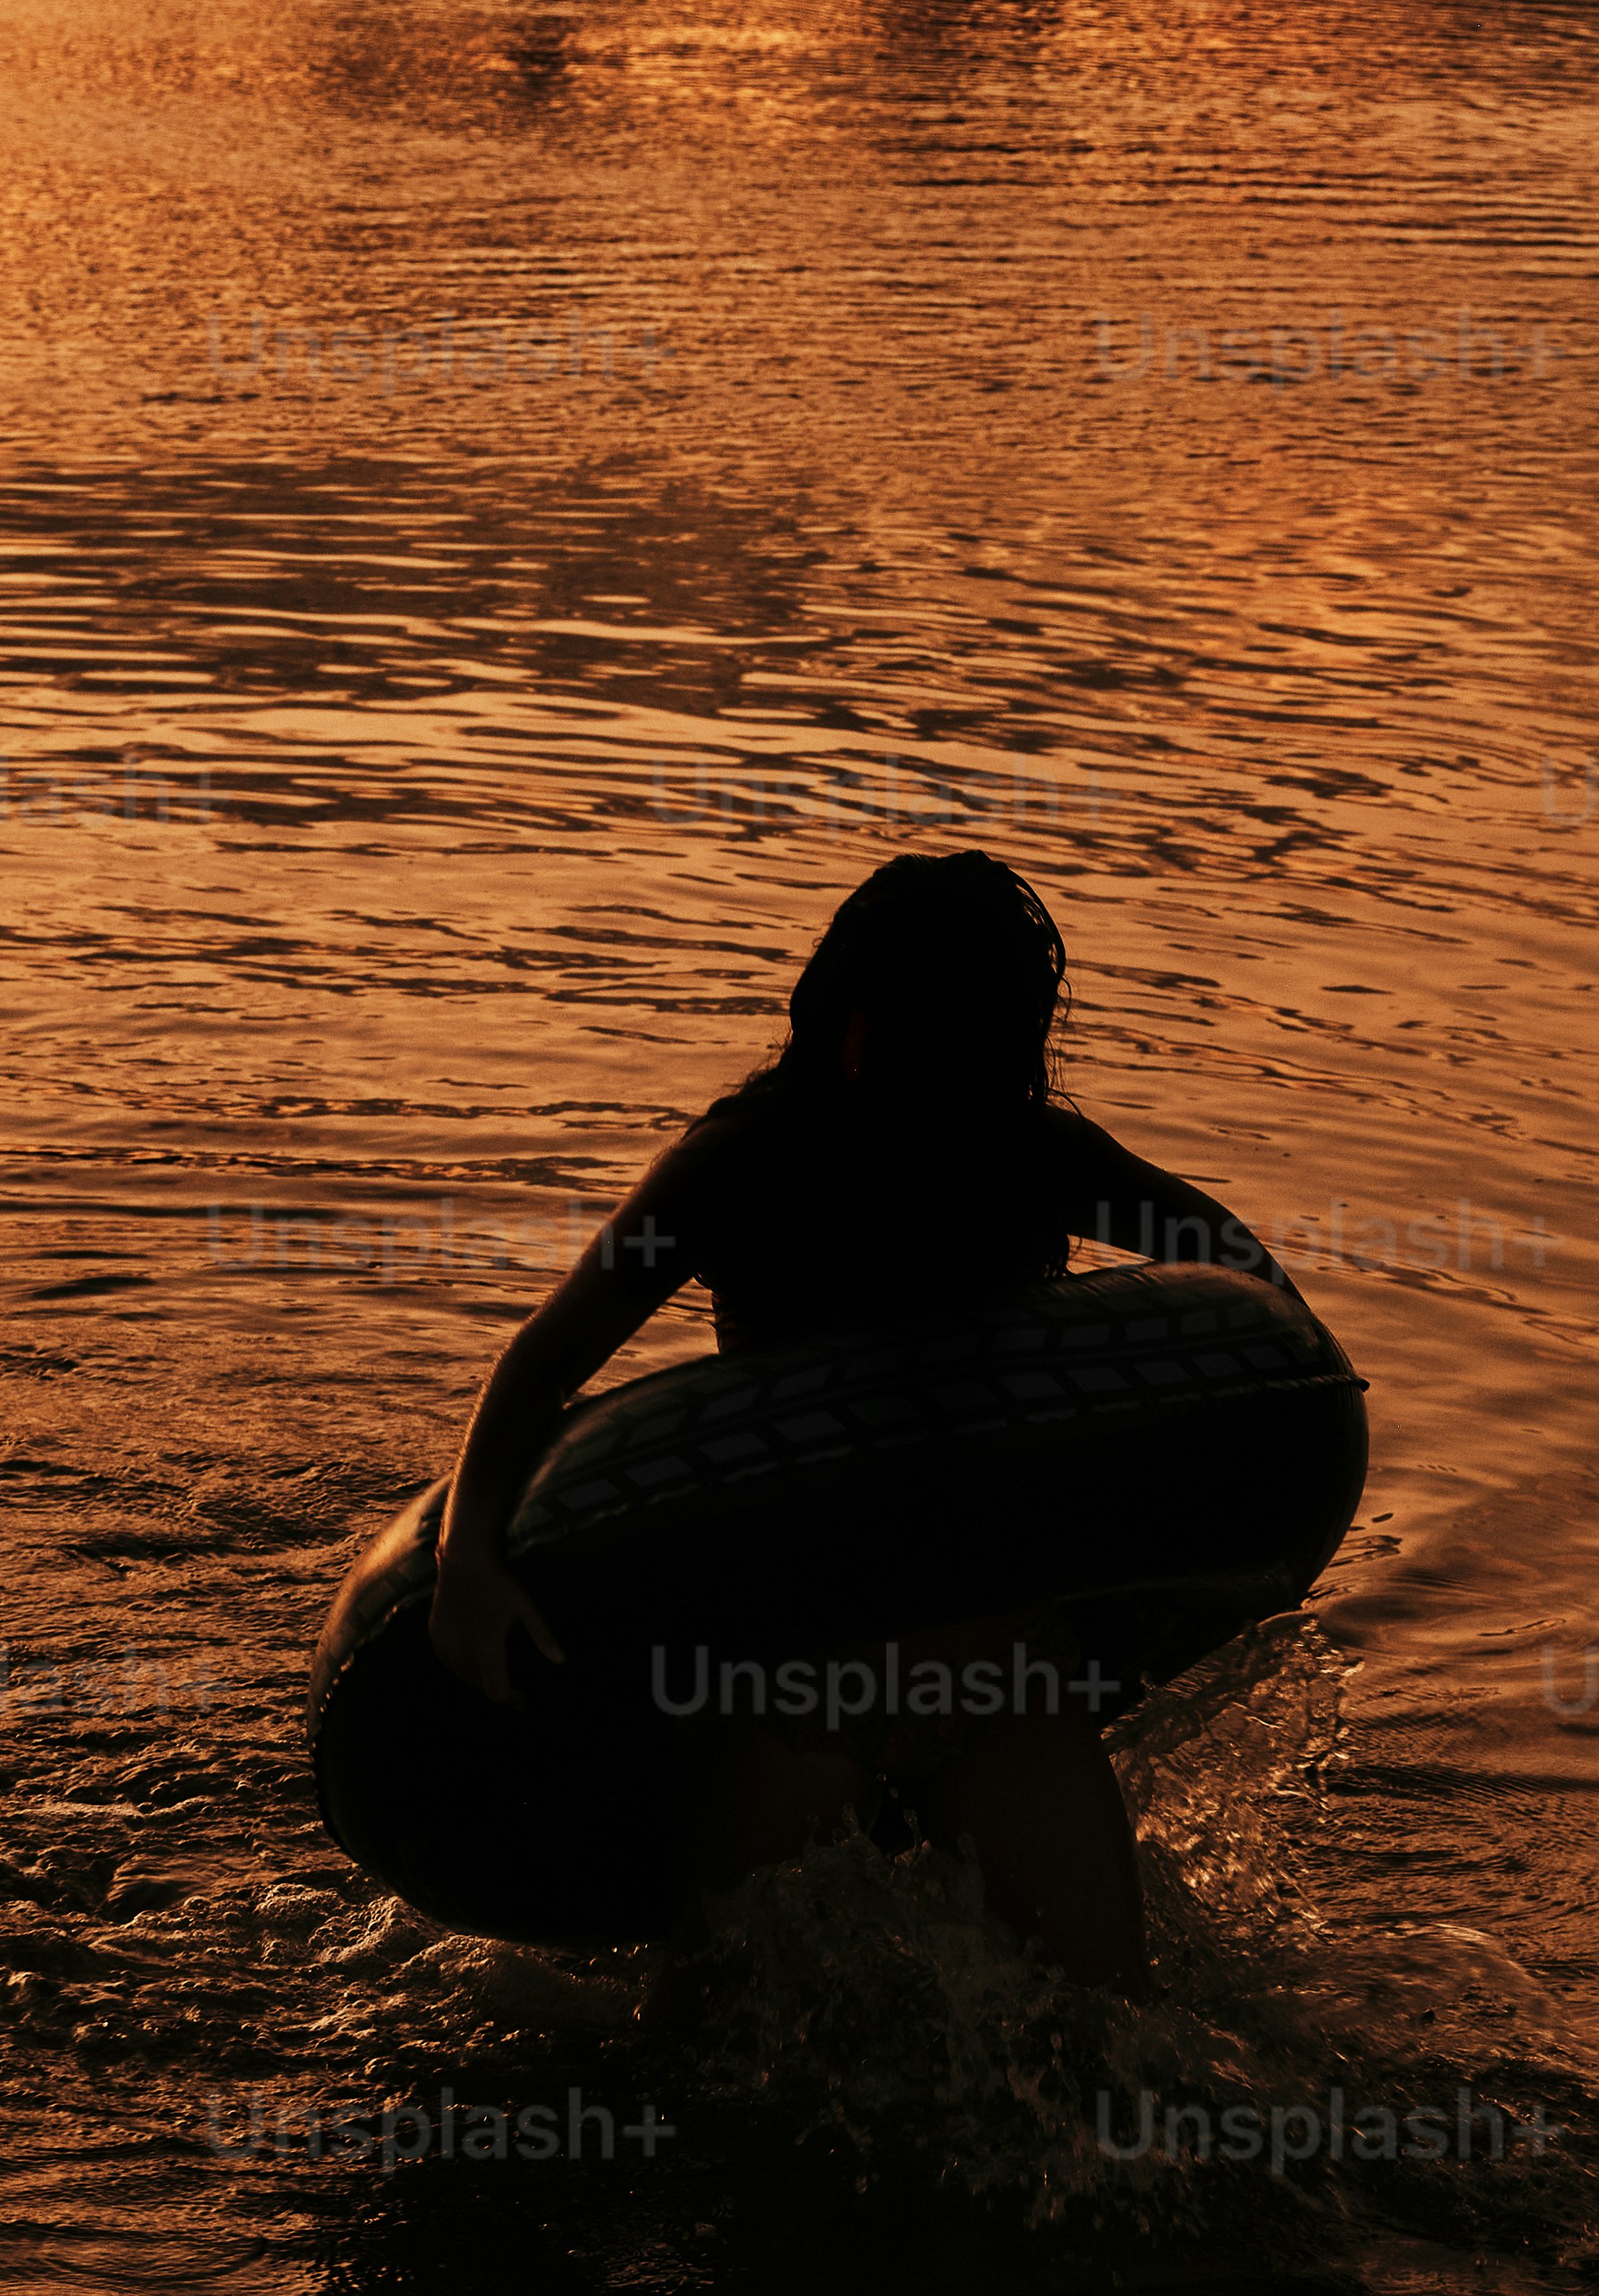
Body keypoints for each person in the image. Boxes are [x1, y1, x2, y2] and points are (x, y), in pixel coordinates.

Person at [423, 852, 1321, 1992]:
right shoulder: (741, 1165)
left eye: (986, 1049)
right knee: (711, 2056)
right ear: (849, 1027)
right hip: (793, 1691)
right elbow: (544, 1358)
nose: (956, 1082)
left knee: (1118, 2029)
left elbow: (1251, 1297)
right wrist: (467, 1562)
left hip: (999, 1689)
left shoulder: (1028, 1153)